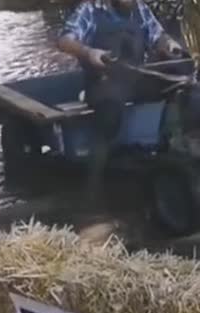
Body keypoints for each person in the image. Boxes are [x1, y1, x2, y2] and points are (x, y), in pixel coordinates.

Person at [57, 0, 187, 201]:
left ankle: (169, 161)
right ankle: (93, 187)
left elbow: (158, 35)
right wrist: (89, 52)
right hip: (103, 81)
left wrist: (169, 44)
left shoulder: (140, 9)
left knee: (180, 84)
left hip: (136, 77)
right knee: (109, 115)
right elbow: (64, 40)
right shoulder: (91, 8)